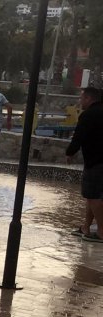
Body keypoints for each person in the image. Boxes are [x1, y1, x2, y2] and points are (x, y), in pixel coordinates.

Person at [66, 87, 103, 243]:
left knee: (93, 196)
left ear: (88, 98)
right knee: (92, 196)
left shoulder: (88, 115)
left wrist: (70, 152)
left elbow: (79, 136)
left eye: (82, 98)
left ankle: (101, 232)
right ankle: (86, 227)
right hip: (99, 161)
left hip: (96, 161)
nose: (80, 101)